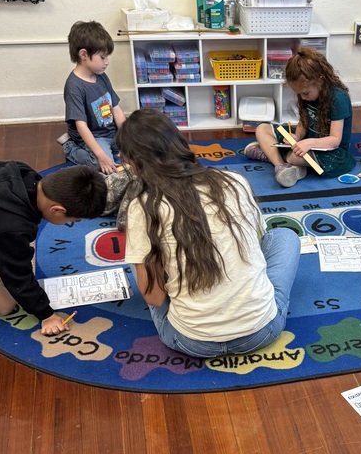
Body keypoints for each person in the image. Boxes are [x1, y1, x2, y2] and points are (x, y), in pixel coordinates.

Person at [118, 109, 301, 356]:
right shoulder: (233, 181)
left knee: (138, 256)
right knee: (284, 237)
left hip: (191, 341)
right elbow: (255, 245)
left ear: (134, 163)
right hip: (262, 331)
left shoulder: (142, 206)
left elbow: (153, 298)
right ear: (179, 143)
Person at [0, 157, 106, 334]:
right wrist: (46, 315)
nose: (72, 223)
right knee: (5, 305)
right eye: (73, 219)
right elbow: (17, 276)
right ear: (57, 210)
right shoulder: (13, 226)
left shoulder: (22, 171)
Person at [243, 46, 355, 187]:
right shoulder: (307, 92)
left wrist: (308, 143)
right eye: (299, 94)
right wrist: (297, 136)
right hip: (308, 141)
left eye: (306, 93)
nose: (303, 97)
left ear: (320, 80)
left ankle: (270, 154)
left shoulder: (338, 98)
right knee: (262, 128)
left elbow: (335, 140)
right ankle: (281, 166)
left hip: (332, 152)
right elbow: (304, 121)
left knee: (294, 156)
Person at [62, 20, 126, 176]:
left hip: (111, 132)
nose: (107, 62)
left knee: (138, 151)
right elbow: (81, 126)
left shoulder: (102, 76)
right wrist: (101, 156)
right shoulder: (74, 86)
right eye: (103, 57)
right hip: (93, 136)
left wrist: (127, 139)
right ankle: (69, 146)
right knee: (104, 166)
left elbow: (116, 110)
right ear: (83, 55)